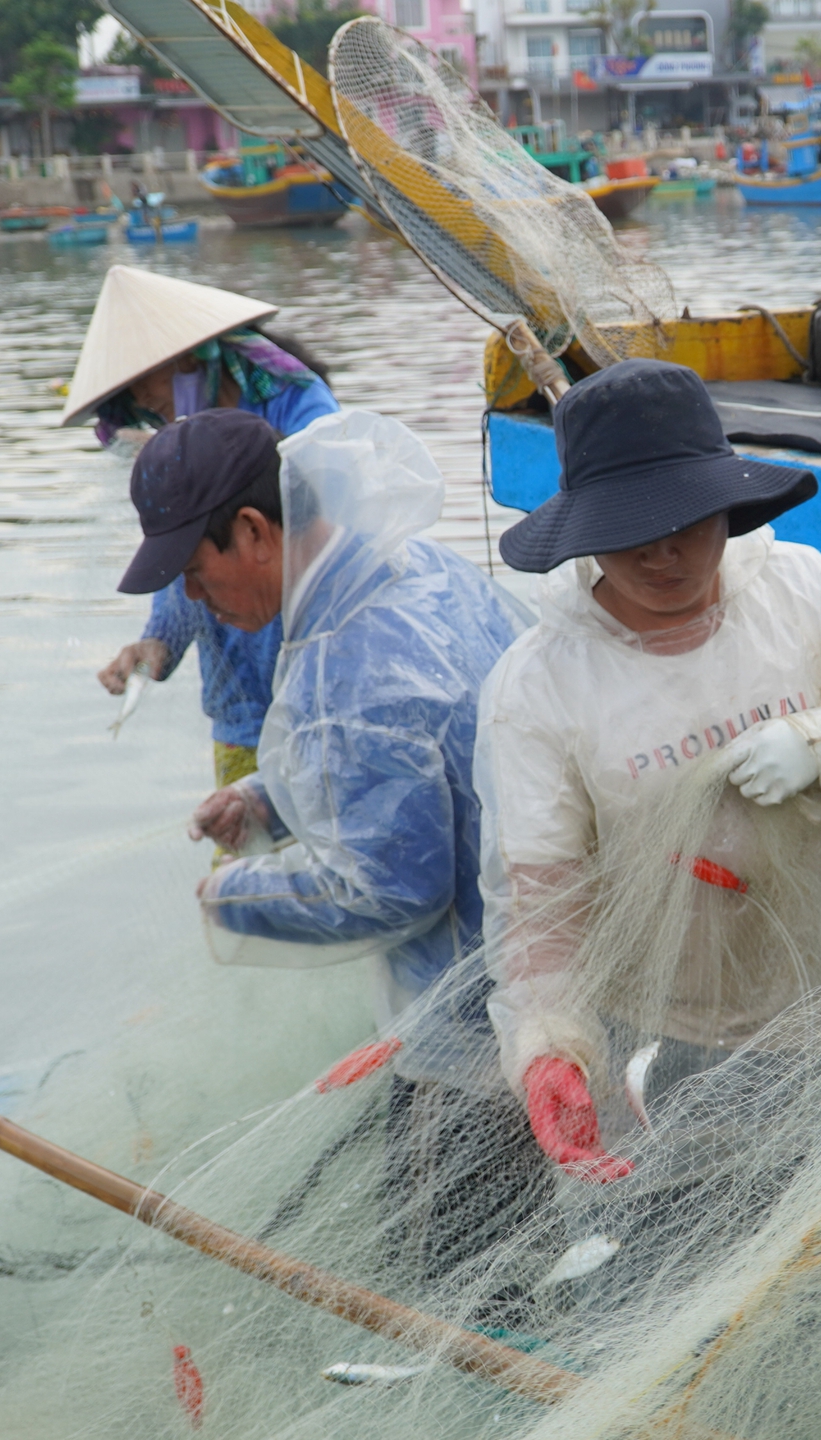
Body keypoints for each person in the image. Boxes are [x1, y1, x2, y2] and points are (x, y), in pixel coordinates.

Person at [476, 358, 821, 1184]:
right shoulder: (539, 686)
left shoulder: (801, 591)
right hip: (669, 1041)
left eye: (688, 520)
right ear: (585, 529)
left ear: (726, 503)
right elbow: (543, 905)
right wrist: (550, 1045)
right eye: (631, 529)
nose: (665, 552)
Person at [111, 406, 546, 1304]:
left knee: (456, 1298)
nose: (194, 601)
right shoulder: (412, 567)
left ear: (255, 531)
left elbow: (392, 889)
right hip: (544, 986)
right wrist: (268, 797)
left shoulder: (352, 657)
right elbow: (414, 755)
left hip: (478, 1038)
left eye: (196, 571)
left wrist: (237, 898)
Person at [66, 265, 340, 788]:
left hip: (318, 687)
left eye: (145, 386)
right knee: (240, 841)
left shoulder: (300, 406)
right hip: (240, 709)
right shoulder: (176, 439)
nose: (145, 405)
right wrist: (158, 644)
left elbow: (328, 511)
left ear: (185, 357)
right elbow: (188, 560)